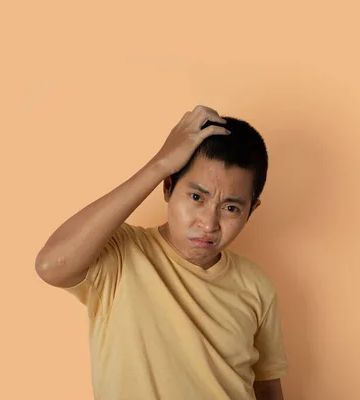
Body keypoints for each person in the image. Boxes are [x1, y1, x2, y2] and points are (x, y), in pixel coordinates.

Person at [35, 105, 288, 399]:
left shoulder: (257, 285)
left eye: (230, 208)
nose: (208, 223)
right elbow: (51, 264)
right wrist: (159, 163)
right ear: (168, 187)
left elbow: (267, 386)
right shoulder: (120, 254)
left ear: (250, 211)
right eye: (196, 197)